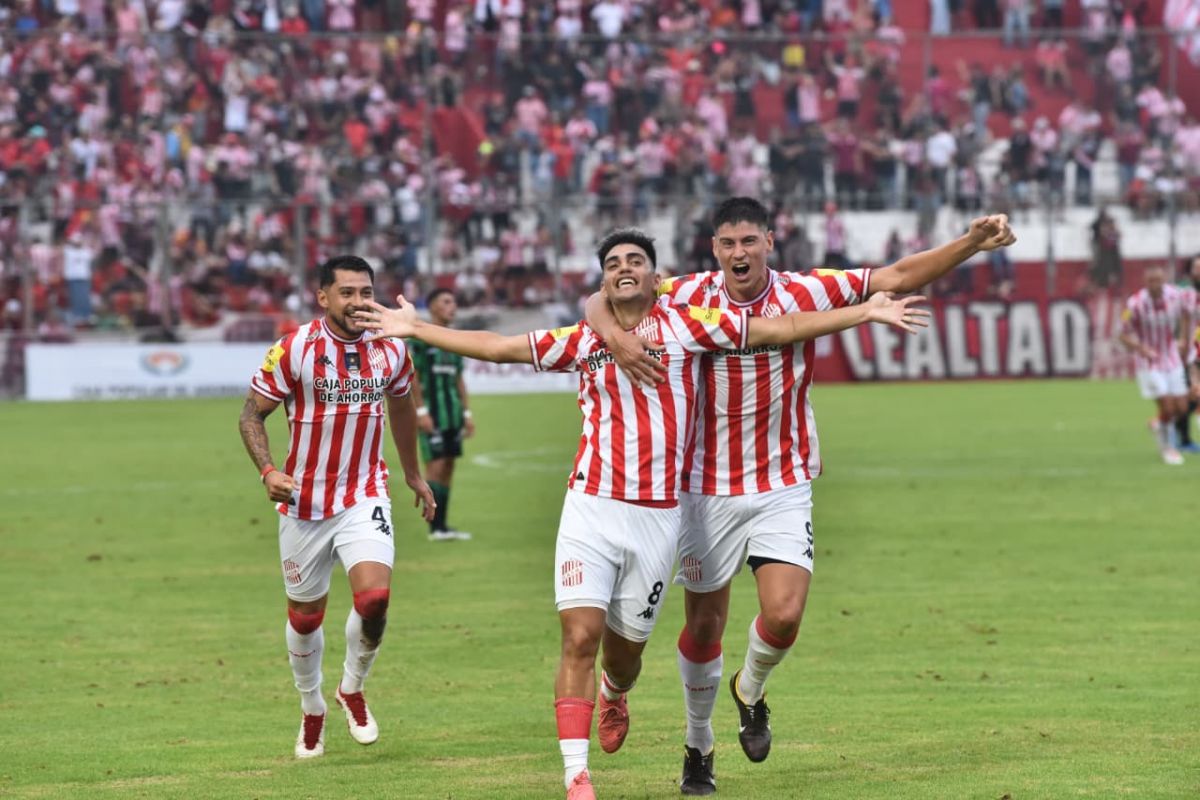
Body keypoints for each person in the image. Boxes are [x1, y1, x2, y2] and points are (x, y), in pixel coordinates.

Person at [355, 228, 929, 800]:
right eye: (613, 263)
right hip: (590, 508)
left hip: (658, 518)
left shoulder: (689, 326)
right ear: (604, 281)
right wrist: (417, 329)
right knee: (579, 636)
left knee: (624, 656)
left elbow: (780, 329)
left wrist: (863, 312)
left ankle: (616, 690)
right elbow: (500, 346)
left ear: (657, 277)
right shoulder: (586, 339)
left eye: (635, 260)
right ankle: (577, 777)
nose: (623, 267)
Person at [588, 198, 1015, 795]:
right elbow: (603, 298)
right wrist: (615, 336)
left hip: (782, 482)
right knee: (705, 627)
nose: (739, 253)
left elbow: (894, 275)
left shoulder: (805, 290)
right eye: (728, 243)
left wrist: (970, 243)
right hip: (704, 487)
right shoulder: (683, 292)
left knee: (785, 615)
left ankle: (750, 689)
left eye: (749, 241)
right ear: (715, 249)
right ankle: (698, 745)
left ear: (770, 241)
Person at [238, 255, 436, 759]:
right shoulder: (294, 348)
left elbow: (402, 405)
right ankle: (312, 707)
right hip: (303, 501)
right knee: (306, 617)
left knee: (375, 600)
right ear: (323, 297)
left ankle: (352, 687)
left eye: (366, 292)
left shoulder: (391, 346)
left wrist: (412, 472)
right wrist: (269, 472)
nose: (358, 302)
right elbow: (251, 416)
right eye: (347, 292)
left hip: (364, 493)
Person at [409, 288, 476, 541]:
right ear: (433, 307)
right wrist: (421, 411)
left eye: (454, 301)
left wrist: (466, 413)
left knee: (448, 465)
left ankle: (443, 526)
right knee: (435, 466)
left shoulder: (454, 341)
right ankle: (434, 528)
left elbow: (459, 379)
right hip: (431, 413)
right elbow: (413, 376)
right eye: (446, 302)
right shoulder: (421, 339)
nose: (453, 306)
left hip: (452, 414)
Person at [1120, 264, 1190, 465]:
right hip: (1149, 362)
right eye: (1151, 281)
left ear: (1164, 280)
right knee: (1167, 406)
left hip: (1172, 357)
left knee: (1181, 407)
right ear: (1145, 282)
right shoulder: (1135, 303)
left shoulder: (1175, 295)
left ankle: (1157, 423)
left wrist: (1183, 339)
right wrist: (1141, 348)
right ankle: (1167, 448)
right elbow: (1122, 334)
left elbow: (1186, 314)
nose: (1155, 284)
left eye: (1158, 280)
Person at [1174, 255, 1200, 452]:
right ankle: (1181, 438)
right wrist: (1179, 343)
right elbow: (1178, 320)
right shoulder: (1185, 295)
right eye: (1196, 268)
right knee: (1192, 395)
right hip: (1192, 353)